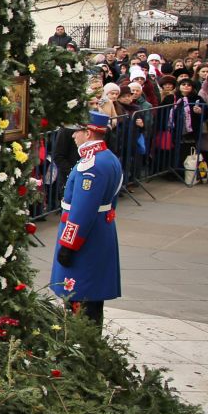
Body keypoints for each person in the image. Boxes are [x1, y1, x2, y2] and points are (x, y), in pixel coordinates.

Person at [50, 111, 125, 323]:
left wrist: (69, 245)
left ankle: (80, 343)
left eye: (77, 132)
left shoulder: (91, 165)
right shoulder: (108, 158)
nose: (73, 136)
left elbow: (82, 210)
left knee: (80, 296)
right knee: (91, 298)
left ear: (89, 133)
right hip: (100, 230)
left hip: (85, 239)